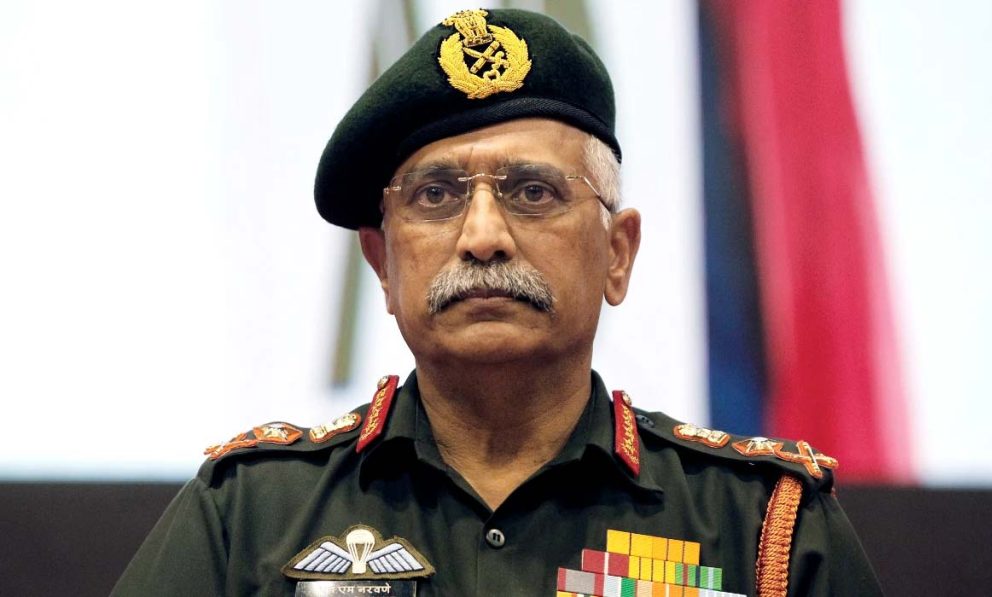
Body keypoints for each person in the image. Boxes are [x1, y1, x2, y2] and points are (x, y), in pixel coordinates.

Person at [114, 8, 882, 597]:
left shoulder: (763, 528)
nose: (483, 237)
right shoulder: (247, 518)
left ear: (618, 253)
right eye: (436, 195)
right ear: (381, 263)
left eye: (534, 191)